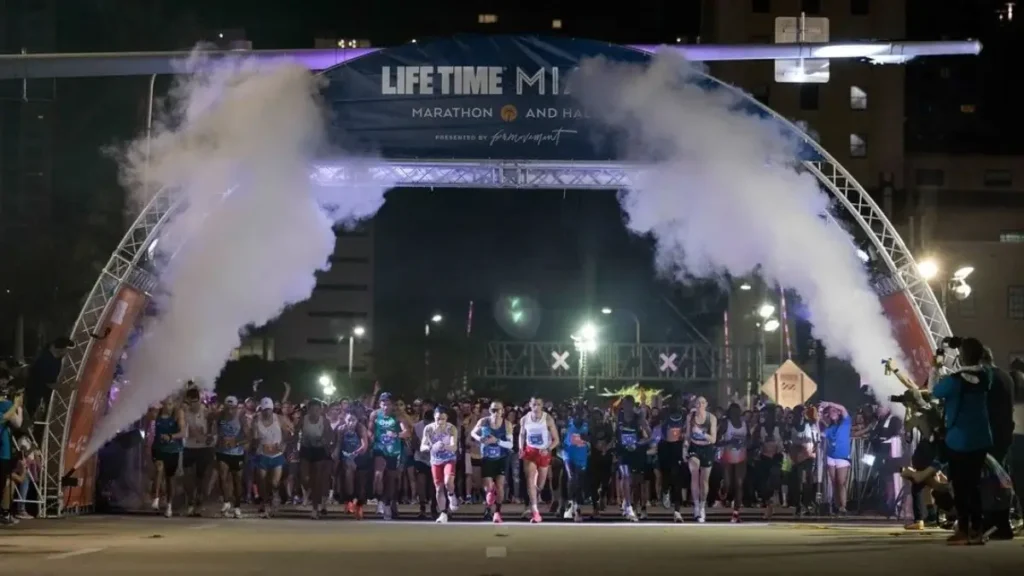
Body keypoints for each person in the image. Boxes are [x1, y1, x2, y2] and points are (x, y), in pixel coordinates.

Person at [931, 337, 993, 545]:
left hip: (958, 440)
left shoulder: (954, 381)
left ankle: (963, 530)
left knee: (959, 486)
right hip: (981, 438)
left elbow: (935, 392)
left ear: (961, 357)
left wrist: (936, 368)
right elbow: (975, 364)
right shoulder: (986, 377)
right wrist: (964, 344)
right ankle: (977, 529)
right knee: (973, 485)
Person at [368, 392, 411, 520]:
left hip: (393, 450)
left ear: (392, 404)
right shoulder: (375, 414)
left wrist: (396, 435)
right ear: (379, 404)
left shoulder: (397, 416)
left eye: (388, 404)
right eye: (383, 404)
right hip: (379, 448)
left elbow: (407, 432)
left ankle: (387, 503)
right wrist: (370, 437)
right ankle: (380, 500)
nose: (385, 407)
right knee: (378, 474)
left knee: (391, 479)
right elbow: (370, 430)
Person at [471, 400, 514, 523]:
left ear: (502, 411)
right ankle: (488, 507)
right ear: (490, 411)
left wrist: (497, 441)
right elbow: (473, 433)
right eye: (493, 410)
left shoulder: (507, 424)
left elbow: (510, 445)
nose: (496, 412)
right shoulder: (483, 421)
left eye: (498, 410)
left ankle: (497, 511)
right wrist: (480, 438)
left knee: (500, 485)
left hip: (502, 457)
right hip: (487, 457)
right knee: (489, 487)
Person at [519, 396, 560, 523]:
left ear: (542, 406)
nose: (536, 407)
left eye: (538, 404)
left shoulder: (547, 419)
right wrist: (521, 448)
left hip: (543, 452)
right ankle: (535, 511)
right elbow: (521, 434)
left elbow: (556, 440)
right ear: (530, 405)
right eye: (534, 404)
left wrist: (548, 449)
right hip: (530, 451)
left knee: (540, 484)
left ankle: (533, 502)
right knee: (530, 478)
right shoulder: (525, 419)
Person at [251, 397, 291, 518]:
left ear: (272, 409)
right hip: (262, 455)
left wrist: (283, 445)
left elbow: (289, 432)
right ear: (261, 410)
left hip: (277, 455)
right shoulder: (256, 420)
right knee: (262, 480)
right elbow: (254, 438)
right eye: (265, 410)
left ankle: (275, 497)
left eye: (269, 409)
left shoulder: (279, 419)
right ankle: (266, 502)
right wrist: (257, 441)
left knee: (274, 482)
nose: (267, 412)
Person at [615, 395, 651, 522]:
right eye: (624, 404)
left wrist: (638, 444)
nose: (626, 407)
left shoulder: (638, 418)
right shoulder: (618, 417)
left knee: (634, 481)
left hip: (635, 452)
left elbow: (649, 435)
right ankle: (629, 507)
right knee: (625, 476)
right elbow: (615, 433)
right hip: (622, 451)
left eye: (628, 404)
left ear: (632, 405)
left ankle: (628, 501)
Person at [421, 405, 458, 523]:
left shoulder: (451, 428)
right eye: (438, 418)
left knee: (448, 482)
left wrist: (444, 446)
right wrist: (431, 447)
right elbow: (422, 446)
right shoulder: (428, 429)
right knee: (439, 488)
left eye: (443, 418)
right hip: (435, 460)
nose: (440, 421)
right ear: (434, 417)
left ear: (446, 417)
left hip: (449, 458)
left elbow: (454, 447)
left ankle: (451, 495)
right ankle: (443, 513)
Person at [213, 396, 248, 519]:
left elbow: (248, 436)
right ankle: (226, 502)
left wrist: (236, 442)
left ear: (236, 407)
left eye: (232, 408)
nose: (230, 411)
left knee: (237, 479)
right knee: (222, 475)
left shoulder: (241, 417)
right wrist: (215, 439)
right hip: (222, 452)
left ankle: (237, 507)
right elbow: (213, 429)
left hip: (237, 453)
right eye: (228, 408)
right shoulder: (220, 416)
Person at [298, 399, 334, 519]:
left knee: (317, 481)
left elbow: (331, 436)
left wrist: (326, 441)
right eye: (312, 409)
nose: (315, 412)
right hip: (306, 449)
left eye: (317, 409)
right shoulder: (304, 420)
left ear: (321, 410)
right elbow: (294, 433)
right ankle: (308, 490)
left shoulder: (324, 421)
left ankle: (315, 509)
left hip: (319, 451)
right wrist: (288, 445)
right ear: (308, 410)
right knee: (305, 478)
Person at [150, 397, 186, 518]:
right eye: (166, 404)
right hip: (158, 448)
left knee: (170, 478)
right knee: (159, 469)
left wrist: (170, 437)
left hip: (173, 449)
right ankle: (156, 498)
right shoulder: (157, 413)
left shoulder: (178, 414)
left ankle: (169, 505)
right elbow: (149, 422)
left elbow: (183, 433)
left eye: (170, 404)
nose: (168, 407)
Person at [181, 386, 214, 517]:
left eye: (196, 401)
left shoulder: (206, 412)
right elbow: (186, 431)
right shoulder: (184, 413)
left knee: (201, 478)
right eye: (191, 402)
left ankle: (199, 502)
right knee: (188, 476)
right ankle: (190, 502)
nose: (194, 404)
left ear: (199, 400)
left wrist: (207, 437)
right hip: (189, 447)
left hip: (204, 449)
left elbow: (211, 431)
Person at [687, 396, 717, 523]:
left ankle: (702, 506)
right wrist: (685, 447)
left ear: (706, 404)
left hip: (707, 448)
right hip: (694, 447)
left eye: (702, 403)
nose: (699, 405)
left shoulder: (712, 418)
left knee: (704, 480)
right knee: (694, 473)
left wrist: (702, 433)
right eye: (697, 403)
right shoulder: (691, 417)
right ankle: (696, 505)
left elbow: (713, 439)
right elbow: (688, 435)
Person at [658, 397, 688, 523]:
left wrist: (684, 435)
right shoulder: (664, 412)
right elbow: (660, 426)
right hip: (665, 447)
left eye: (678, 402)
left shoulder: (684, 414)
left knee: (677, 479)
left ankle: (677, 511)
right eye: (674, 402)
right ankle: (665, 490)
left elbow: (687, 428)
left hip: (678, 447)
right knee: (666, 475)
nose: (677, 404)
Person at [820, 401, 852, 515]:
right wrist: (819, 415)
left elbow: (843, 407)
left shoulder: (846, 422)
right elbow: (822, 433)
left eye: (834, 410)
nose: (831, 412)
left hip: (842, 456)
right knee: (834, 482)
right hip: (831, 456)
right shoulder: (830, 427)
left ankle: (843, 506)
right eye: (830, 411)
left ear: (838, 413)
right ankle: (837, 505)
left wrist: (829, 403)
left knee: (841, 482)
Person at [561, 402, 590, 522]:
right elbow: (560, 436)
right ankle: (570, 505)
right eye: (576, 411)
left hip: (581, 455)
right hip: (569, 454)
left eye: (581, 411)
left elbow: (591, 438)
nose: (578, 414)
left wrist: (586, 438)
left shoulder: (587, 425)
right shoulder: (568, 423)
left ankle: (577, 506)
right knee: (571, 477)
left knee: (578, 481)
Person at [337, 410, 369, 519]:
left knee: (361, 483)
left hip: (360, 456)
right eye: (349, 420)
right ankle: (349, 500)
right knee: (347, 477)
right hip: (346, 458)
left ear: (357, 420)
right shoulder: (341, 429)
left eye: (353, 420)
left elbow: (364, 446)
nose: (351, 423)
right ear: (345, 420)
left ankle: (359, 506)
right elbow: (338, 446)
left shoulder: (361, 428)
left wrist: (354, 454)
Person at [720, 403, 748, 523]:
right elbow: (716, 440)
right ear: (729, 413)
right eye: (733, 412)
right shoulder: (726, 424)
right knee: (728, 484)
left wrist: (746, 443)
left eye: (737, 411)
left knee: (739, 484)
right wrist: (728, 442)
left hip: (741, 457)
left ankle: (736, 512)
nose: (735, 414)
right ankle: (723, 489)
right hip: (728, 456)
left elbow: (750, 438)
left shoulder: (744, 424)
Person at [0, 384, 23, 525]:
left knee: (7, 483)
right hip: (2, 454)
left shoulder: (7, 405)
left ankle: (5, 513)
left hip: (5, 453)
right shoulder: (7, 406)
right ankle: (5, 513)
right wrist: (16, 406)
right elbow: (9, 419)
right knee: (5, 484)